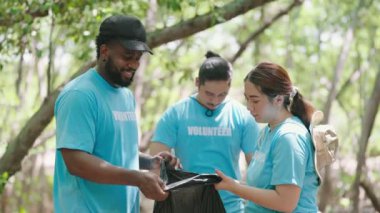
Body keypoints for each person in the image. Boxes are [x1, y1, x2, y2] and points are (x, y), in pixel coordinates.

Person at [53, 15, 178, 212]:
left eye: (138, 58)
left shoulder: (126, 96)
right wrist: (137, 178)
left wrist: (151, 162)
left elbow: (117, 153)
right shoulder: (80, 95)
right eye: (128, 56)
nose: (134, 65)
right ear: (104, 51)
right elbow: (76, 162)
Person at [150, 51, 260, 213]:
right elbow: (155, 161)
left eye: (222, 94)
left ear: (229, 85)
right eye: (209, 94)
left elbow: (257, 168)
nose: (215, 101)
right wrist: (166, 163)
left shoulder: (243, 116)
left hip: (230, 206)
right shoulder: (177, 113)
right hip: (185, 204)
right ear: (197, 82)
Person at [214, 62, 319, 212]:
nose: (249, 107)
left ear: (278, 99)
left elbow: (285, 203)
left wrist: (235, 188)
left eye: (255, 100)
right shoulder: (267, 131)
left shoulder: (289, 138)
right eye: (247, 99)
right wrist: (230, 184)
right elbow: (261, 188)